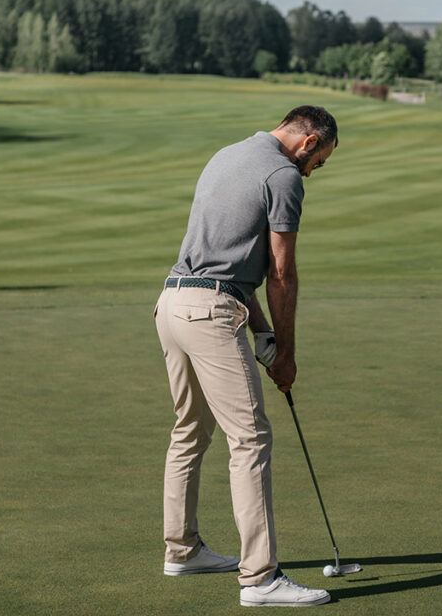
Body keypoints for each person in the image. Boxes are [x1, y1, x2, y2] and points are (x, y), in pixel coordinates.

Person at [154, 106, 338, 606]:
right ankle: (260, 579)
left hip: (172, 302)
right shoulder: (283, 175)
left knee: (189, 431)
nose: (312, 172)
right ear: (309, 141)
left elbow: (229, 264)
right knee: (251, 439)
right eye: (319, 162)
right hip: (211, 313)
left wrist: (263, 334)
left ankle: (182, 551)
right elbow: (280, 275)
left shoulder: (228, 155)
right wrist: (287, 354)